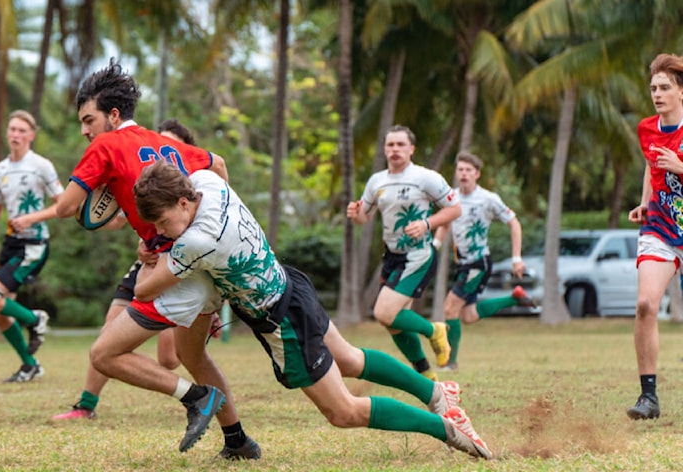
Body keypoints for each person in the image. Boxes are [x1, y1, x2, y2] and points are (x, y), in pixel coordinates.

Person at [124, 162, 492, 459]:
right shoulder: (206, 181)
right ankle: (437, 393)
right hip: (290, 284)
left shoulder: (195, 242)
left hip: (280, 319)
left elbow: (143, 290)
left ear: (184, 203)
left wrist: (146, 256)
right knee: (348, 359)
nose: (161, 231)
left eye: (162, 221)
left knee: (342, 412)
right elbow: (218, 164)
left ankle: (447, 428)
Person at [49, 60, 261, 459]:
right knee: (191, 354)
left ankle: (194, 397)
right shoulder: (164, 143)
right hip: (206, 262)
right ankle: (238, 441)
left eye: (88, 119)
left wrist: (87, 203)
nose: (84, 130)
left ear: (113, 115)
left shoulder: (105, 146)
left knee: (104, 354)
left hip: (175, 269)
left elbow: (66, 208)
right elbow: (216, 164)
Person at [51, 119, 199, 421]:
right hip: (145, 262)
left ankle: (205, 398)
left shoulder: (191, 182)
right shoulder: (139, 170)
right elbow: (119, 219)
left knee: (170, 359)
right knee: (110, 328)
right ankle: (86, 405)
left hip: (178, 263)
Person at [347, 125, 462, 380]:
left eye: (400, 145)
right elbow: (364, 217)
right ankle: (426, 375)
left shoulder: (426, 177)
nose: (395, 150)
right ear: (385, 149)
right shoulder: (377, 181)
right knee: (393, 322)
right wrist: (355, 215)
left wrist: (427, 224)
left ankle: (434, 331)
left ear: (412, 149)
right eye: (390, 145)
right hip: (391, 257)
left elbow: (455, 210)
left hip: (418, 255)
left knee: (383, 313)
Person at [0, 110, 61, 383]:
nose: (16, 135)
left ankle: (35, 320)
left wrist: (31, 218)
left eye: (22, 130)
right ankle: (30, 365)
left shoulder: (42, 166)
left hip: (34, 245)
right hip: (11, 243)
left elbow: (64, 205)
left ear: (31, 135)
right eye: (12, 129)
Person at [432, 151, 535, 371]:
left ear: (477, 174)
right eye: (460, 169)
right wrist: (435, 247)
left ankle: (450, 363)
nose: (464, 174)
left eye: (469, 170)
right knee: (468, 316)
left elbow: (514, 223)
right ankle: (514, 298)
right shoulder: (451, 197)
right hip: (463, 264)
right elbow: (445, 224)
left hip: (478, 263)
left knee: (450, 308)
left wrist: (517, 258)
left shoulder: (488, 199)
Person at [626, 53, 683, 420]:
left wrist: (680, 167)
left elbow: (670, 165)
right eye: (653, 88)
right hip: (661, 226)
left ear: (681, 91)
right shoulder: (647, 128)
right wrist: (645, 202)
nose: (657, 94)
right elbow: (651, 166)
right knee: (646, 304)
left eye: (664, 88)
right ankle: (649, 397)